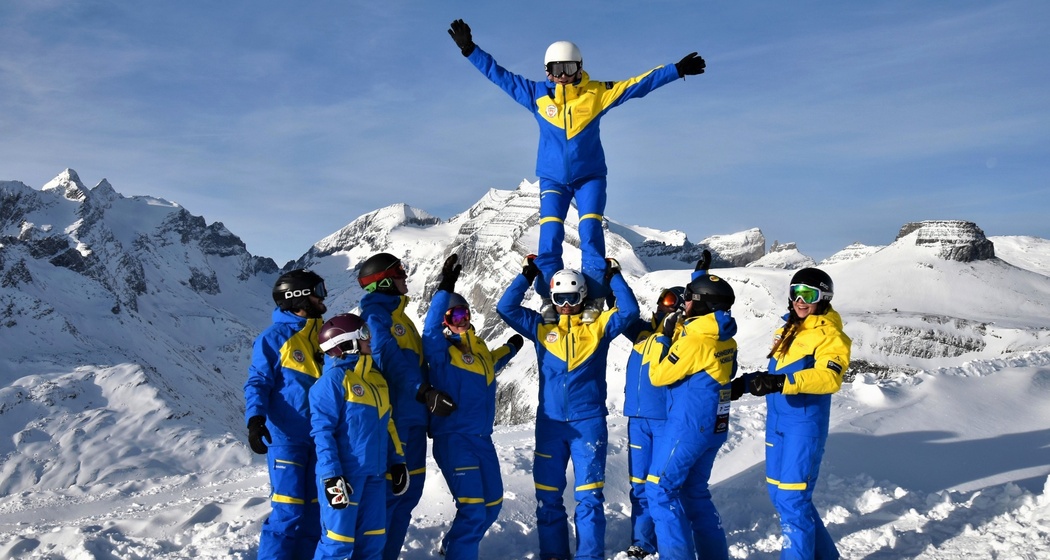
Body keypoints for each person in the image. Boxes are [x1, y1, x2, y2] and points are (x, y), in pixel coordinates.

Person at [447, 19, 707, 320]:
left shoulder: (596, 93)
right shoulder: (536, 95)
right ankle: (548, 299)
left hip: (589, 178)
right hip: (553, 179)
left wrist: (675, 70)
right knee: (551, 234)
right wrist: (470, 50)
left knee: (590, 231)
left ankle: (595, 298)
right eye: (556, 70)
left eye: (569, 69)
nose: (563, 77)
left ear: (580, 68)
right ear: (547, 71)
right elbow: (500, 76)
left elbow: (637, 85)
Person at [497, 256, 640, 560]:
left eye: (571, 298)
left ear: (582, 296)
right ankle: (554, 555)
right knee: (547, 498)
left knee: (588, 497)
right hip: (549, 424)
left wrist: (614, 276)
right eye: (558, 298)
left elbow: (629, 311)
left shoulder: (599, 327)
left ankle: (589, 556)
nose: (564, 304)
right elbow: (505, 308)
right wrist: (526, 276)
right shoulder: (539, 327)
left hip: (588, 423)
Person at [732, 267, 852, 560]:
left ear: (823, 297)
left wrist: (782, 382)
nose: (800, 300)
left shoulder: (830, 335)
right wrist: (751, 382)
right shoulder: (787, 329)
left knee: (792, 499)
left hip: (803, 425)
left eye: (808, 294)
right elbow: (781, 372)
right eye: (795, 292)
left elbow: (829, 378)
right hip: (777, 424)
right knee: (781, 495)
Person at [356, 252, 457, 560]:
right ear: (384, 280)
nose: (405, 277)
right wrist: (423, 391)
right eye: (399, 272)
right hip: (395, 421)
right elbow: (390, 360)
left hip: (413, 420)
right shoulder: (376, 317)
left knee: (408, 496)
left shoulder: (400, 315)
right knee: (389, 498)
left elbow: (419, 358)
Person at [423, 254, 524, 559]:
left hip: (482, 439)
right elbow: (428, 331)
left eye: (464, 314)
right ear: (445, 322)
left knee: (492, 506)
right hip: (453, 439)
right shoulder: (441, 352)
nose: (461, 320)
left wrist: (511, 348)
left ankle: (452, 546)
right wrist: (447, 285)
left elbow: (492, 362)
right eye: (453, 317)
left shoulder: (478, 352)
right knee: (473, 511)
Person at [645, 264, 737, 560]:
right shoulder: (724, 337)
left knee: (660, 491)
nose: (683, 301)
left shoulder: (695, 340)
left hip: (687, 427)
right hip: (713, 427)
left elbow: (658, 376)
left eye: (688, 296)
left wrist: (663, 339)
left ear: (701, 304)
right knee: (694, 493)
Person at [310, 313, 409, 560]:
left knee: (373, 544)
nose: (370, 339)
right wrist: (332, 477)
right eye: (364, 334)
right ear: (345, 343)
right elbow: (322, 433)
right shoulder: (332, 382)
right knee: (337, 545)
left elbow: (388, 425)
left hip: (374, 476)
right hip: (345, 478)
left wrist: (398, 462)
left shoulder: (376, 380)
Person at [244, 269, 328, 559]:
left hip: (321, 441)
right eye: (317, 289)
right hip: (288, 440)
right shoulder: (274, 338)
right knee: (288, 512)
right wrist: (255, 419)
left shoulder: (325, 336)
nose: (323, 296)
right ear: (298, 297)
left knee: (316, 515)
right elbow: (258, 381)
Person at [618, 285, 684, 559]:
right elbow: (624, 311)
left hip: (665, 420)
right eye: (660, 300)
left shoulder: (683, 337)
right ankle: (642, 542)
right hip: (637, 419)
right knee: (639, 484)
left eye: (670, 301)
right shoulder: (642, 332)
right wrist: (615, 277)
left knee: (663, 484)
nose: (662, 305)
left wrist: (670, 333)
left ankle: (673, 540)